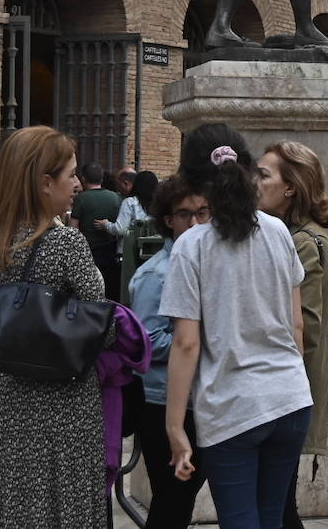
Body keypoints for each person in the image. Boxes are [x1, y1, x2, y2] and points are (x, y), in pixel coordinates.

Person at [160, 124, 312, 529]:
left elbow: (186, 344)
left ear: (190, 182)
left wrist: (175, 426)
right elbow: (297, 326)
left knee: (241, 521)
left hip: (232, 406)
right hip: (289, 397)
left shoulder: (190, 246)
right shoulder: (278, 231)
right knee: (272, 519)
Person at [0, 126, 107, 528]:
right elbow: (102, 326)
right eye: (70, 175)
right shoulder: (66, 244)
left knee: (12, 507)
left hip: (3, 401)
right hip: (62, 406)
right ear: (43, 182)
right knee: (61, 508)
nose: (76, 184)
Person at [257, 141, 328, 529]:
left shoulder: (301, 241)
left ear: (291, 188)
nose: (255, 182)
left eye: (264, 175)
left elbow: (303, 329)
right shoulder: (284, 234)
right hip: (284, 392)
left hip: (286, 394)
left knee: (278, 505)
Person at [129, 175, 211, 528]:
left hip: (198, 399)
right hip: (161, 400)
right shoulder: (156, 275)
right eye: (185, 215)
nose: (195, 223)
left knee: (180, 500)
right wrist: (196, 341)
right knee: (172, 501)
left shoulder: (202, 266)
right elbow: (145, 340)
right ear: (168, 220)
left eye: (203, 213)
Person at [70, 161, 124, 301]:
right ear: (101, 178)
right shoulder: (116, 198)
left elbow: (73, 228)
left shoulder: (81, 199)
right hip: (111, 252)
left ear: (83, 178)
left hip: (89, 253)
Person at [119, 170, 164, 302]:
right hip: (155, 253)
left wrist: (105, 225)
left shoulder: (130, 202)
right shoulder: (160, 204)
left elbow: (121, 228)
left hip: (130, 253)